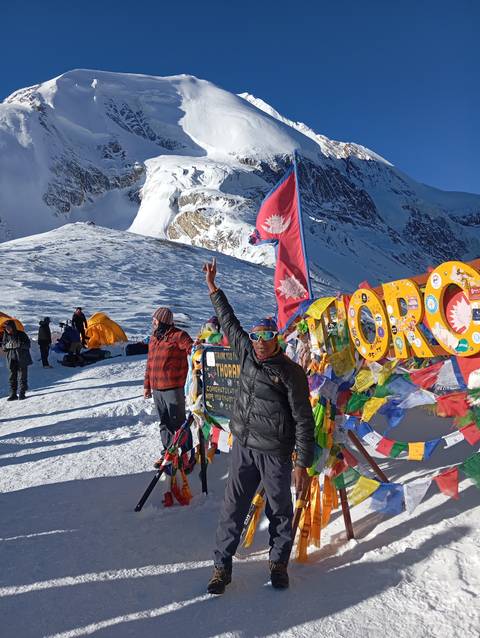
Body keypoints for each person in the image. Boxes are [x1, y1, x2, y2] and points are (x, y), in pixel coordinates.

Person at [202, 258, 315, 594]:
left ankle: (278, 564)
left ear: (277, 338)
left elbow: (303, 419)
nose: (261, 341)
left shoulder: (291, 372)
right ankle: (221, 568)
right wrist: (213, 288)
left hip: (276, 455)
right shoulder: (247, 353)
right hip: (244, 449)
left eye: (267, 335)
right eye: (256, 336)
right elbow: (228, 321)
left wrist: (302, 463)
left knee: (280, 511)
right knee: (232, 509)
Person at [144, 307, 193, 457]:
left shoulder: (178, 335)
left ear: (163, 321)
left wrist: (199, 351)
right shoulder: (154, 338)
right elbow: (150, 363)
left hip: (173, 388)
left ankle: (186, 453)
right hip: (157, 389)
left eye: (155, 320)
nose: (153, 322)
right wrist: (147, 387)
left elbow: (192, 348)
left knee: (178, 423)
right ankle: (168, 452)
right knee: (164, 423)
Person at [2, 320, 33, 400]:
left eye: (9, 327)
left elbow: (28, 345)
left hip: (22, 358)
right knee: (12, 377)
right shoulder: (6, 335)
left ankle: (22, 393)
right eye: (6, 328)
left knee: (22, 376)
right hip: (11, 359)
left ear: (13, 327)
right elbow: (3, 347)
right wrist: (6, 346)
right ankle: (13, 394)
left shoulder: (21, 334)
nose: (7, 329)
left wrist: (19, 344)